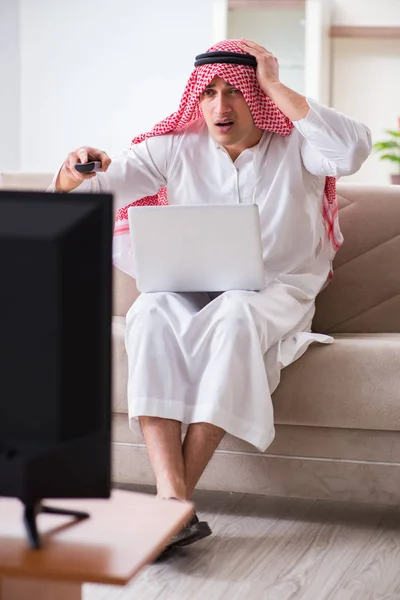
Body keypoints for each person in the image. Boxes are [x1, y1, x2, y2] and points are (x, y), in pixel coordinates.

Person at [50, 38, 371, 550]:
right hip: (191, 285)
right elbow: (83, 201)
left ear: (256, 95)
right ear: (195, 98)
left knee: (236, 314)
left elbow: (352, 150)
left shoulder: (299, 145)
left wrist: (274, 84)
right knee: (149, 311)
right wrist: (72, 171)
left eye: (236, 92)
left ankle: (168, 508)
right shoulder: (177, 145)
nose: (220, 107)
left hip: (273, 291)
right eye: (208, 92)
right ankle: (173, 503)